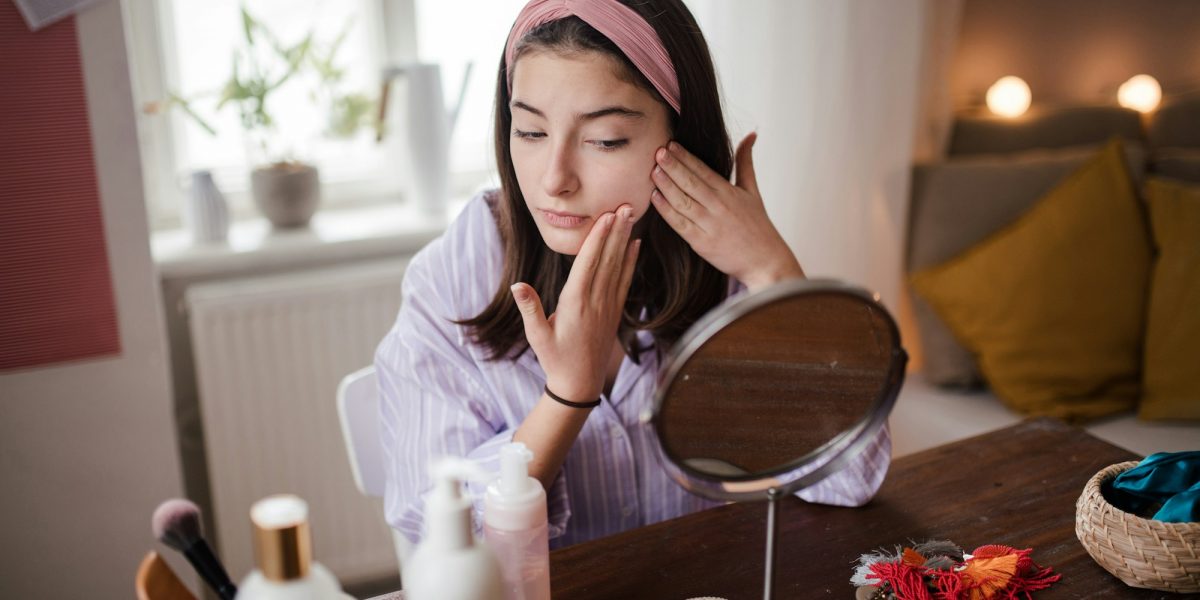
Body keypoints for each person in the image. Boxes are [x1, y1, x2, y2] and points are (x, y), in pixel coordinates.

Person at [377, 0, 890, 548]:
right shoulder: (451, 280)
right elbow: (436, 528)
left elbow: (851, 482)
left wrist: (775, 274)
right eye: (530, 131)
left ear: (680, 139)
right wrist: (568, 396)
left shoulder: (731, 262)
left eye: (605, 140)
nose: (555, 180)